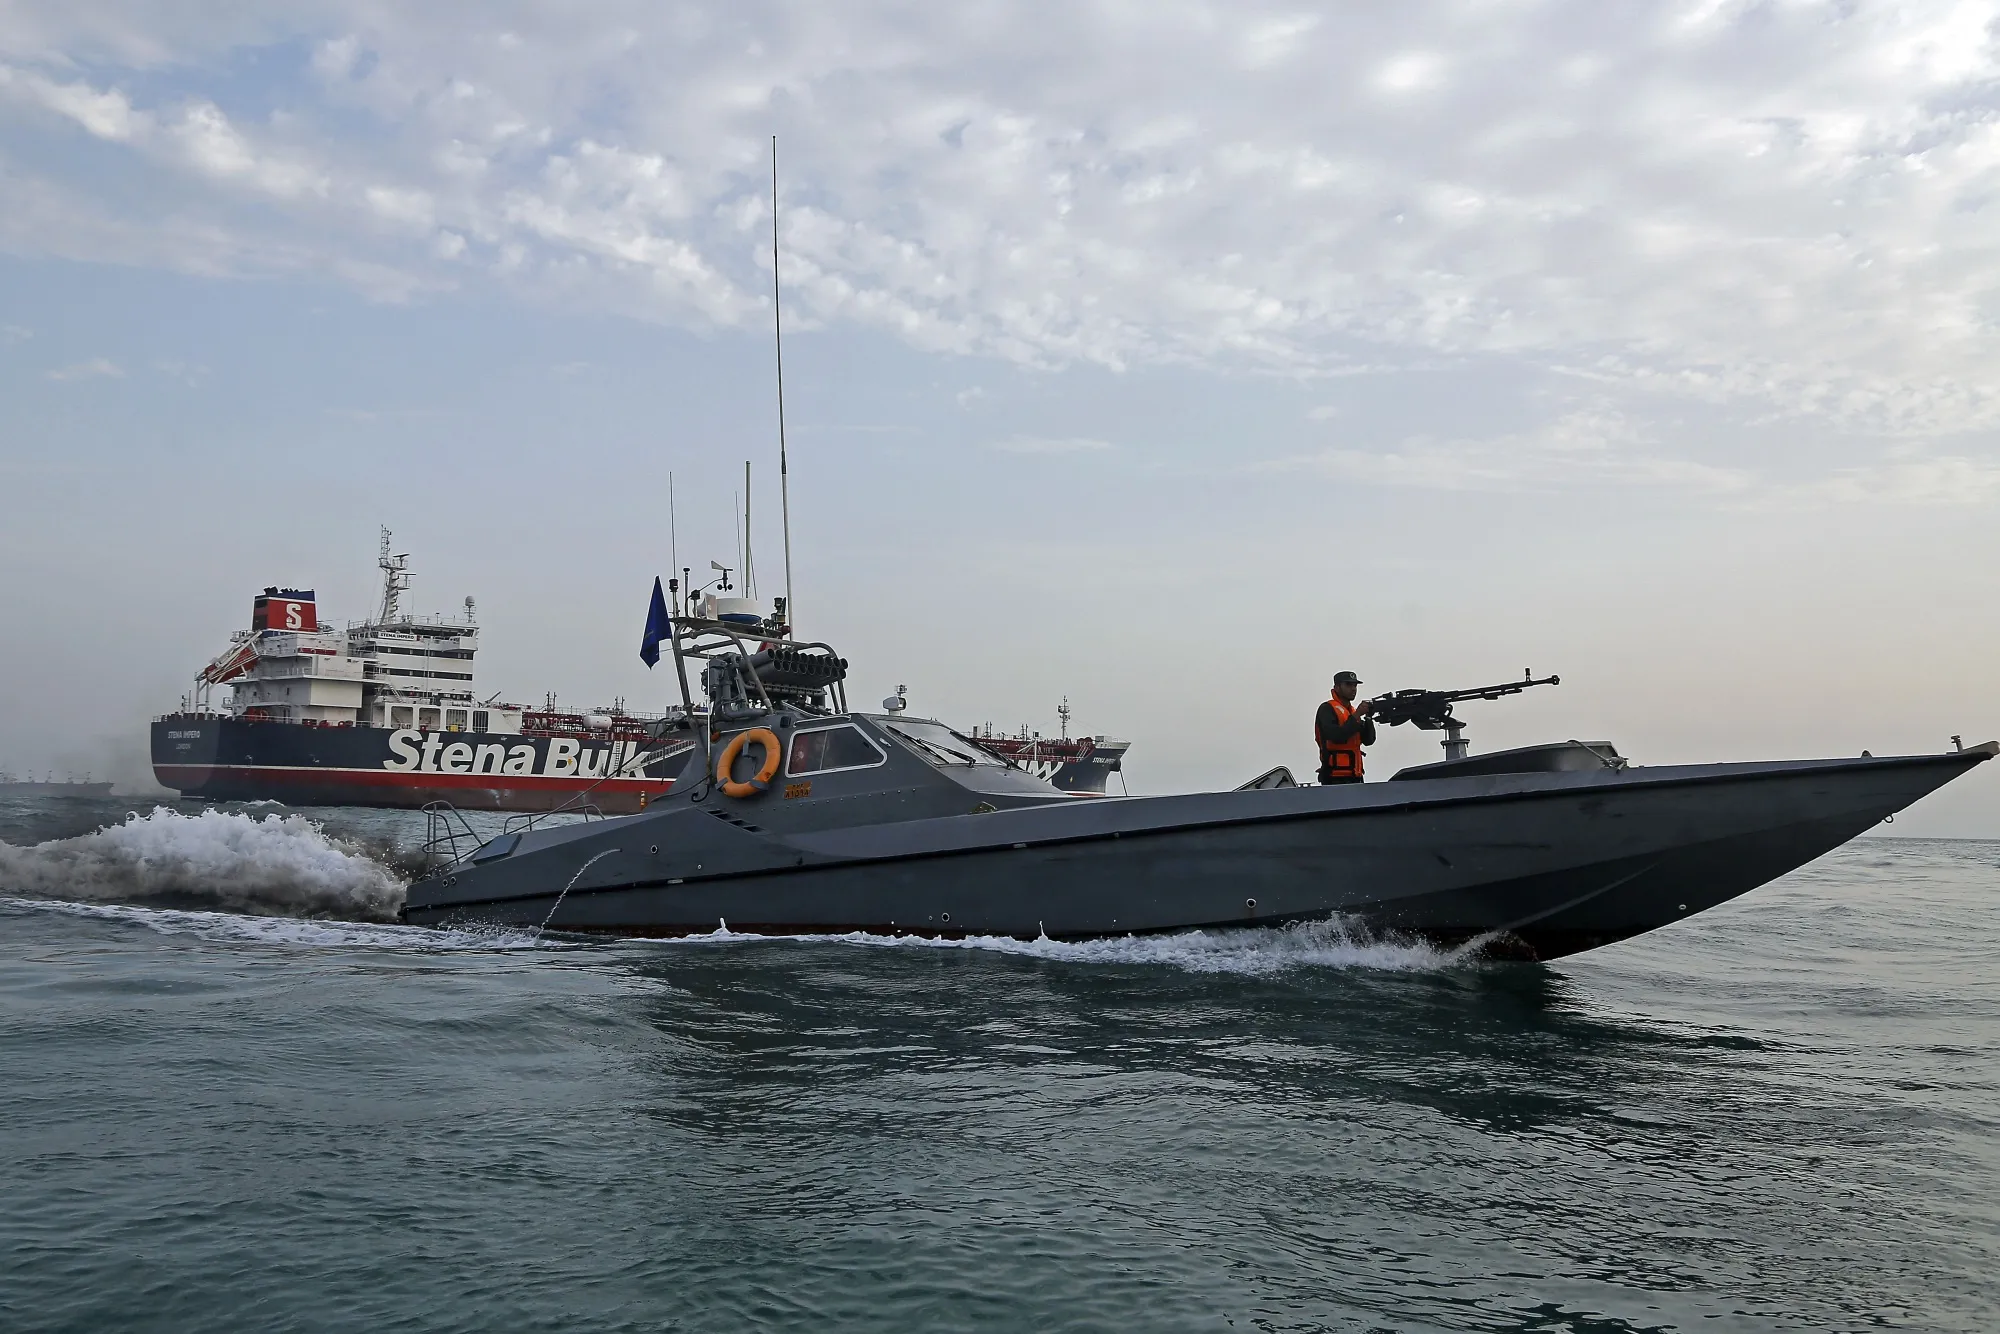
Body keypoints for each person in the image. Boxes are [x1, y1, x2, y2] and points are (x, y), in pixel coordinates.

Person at [1315, 670, 1376, 784]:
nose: (1353, 689)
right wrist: (1357, 715)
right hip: (1334, 777)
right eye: (1348, 685)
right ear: (1337, 687)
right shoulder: (1327, 708)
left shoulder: (1352, 712)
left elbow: (1368, 740)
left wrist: (1368, 718)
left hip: (1355, 776)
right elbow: (1336, 736)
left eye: (1355, 685)